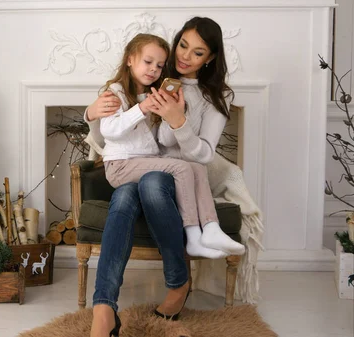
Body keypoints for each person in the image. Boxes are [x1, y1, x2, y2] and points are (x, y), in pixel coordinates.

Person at [86, 17, 244, 337]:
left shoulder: (219, 96)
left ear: (210, 58)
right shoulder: (157, 79)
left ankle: (177, 281)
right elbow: (113, 137)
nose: (185, 56)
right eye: (182, 45)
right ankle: (104, 308)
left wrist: (178, 121)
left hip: (179, 176)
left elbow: (203, 155)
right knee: (126, 194)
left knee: (152, 182)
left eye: (198, 52)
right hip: (142, 167)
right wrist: (89, 114)